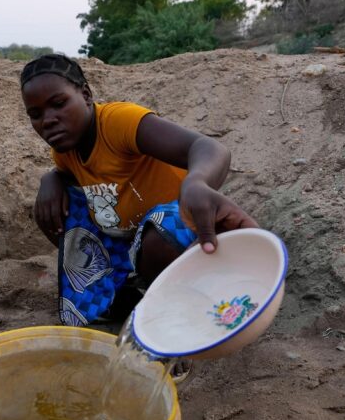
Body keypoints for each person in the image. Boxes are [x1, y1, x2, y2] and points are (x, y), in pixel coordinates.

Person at [20, 54, 258, 326]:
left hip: (184, 228)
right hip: (130, 236)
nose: (48, 120)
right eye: (35, 114)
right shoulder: (65, 151)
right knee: (50, 210)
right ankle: (124, 296)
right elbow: (66, 178)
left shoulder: (118, 122)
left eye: (59, 104)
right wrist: (50, 179)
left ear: (86, 95)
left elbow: (210, 148)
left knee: (156, 241)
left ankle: (183, 308)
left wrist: (196, 183)